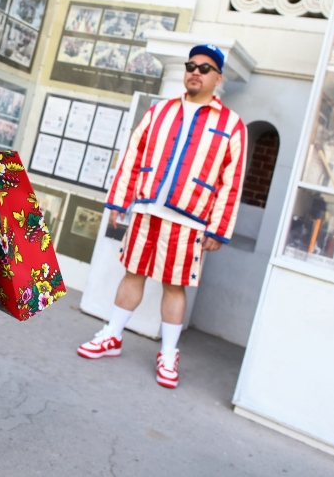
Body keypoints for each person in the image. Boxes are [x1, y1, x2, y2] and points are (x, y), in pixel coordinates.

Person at [77, 45, 247, 389]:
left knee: (174, 285)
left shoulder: (232, 125)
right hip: (146, 209)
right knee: (133, 272)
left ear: (218, 77)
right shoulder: (160, 112)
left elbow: (232, 182)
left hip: (190, 220)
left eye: (205, 67)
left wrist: (218, 228)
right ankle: (112, 334)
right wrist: (119, 202)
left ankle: (168, 353)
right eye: (191, 65)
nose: (195, 72)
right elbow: (133, 156)